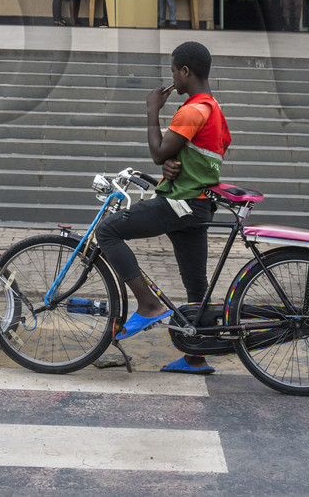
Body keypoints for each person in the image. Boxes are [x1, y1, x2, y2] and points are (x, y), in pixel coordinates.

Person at [94, 41, 231, 375]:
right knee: (196, 285)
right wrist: (175, 164)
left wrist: (152, 109)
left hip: (180, 205)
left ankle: (148, 303)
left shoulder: (192, 110)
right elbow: (202, 153)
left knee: (107, 231)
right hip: (199, 205)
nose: (172, 76)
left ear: (185, 72)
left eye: (173, 70)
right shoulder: (214, 109)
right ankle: (196, 356)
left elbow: (157, 152)